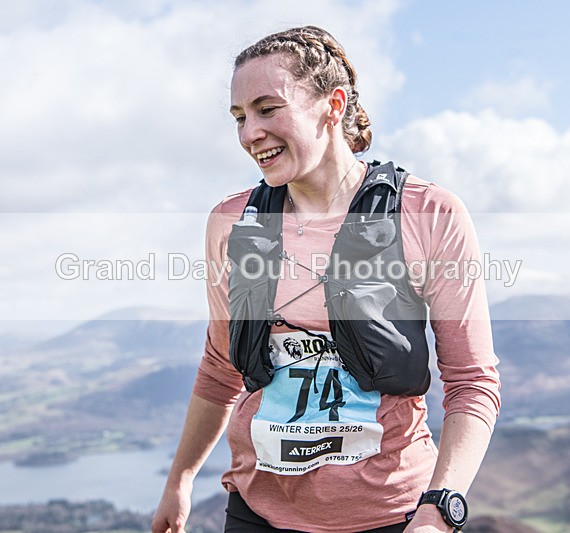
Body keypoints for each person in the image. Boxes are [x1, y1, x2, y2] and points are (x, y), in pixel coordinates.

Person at [151, 26, 500, 533]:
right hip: (257, 513)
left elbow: (472, 381)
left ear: (333, 105)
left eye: (268, 109)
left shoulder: (427, 213)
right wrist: (178, 480)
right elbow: (221, 366)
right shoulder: (232, 224)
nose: (249, 133)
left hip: (393, 517)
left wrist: (440, 508)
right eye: (240, 117)